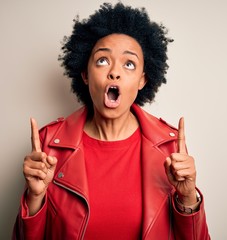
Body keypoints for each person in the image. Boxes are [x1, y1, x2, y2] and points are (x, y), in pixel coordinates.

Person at [13, 2, 210, 240]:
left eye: (129, 64)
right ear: (85, 75)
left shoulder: (169, 147)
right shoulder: (49, 145)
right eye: (102, 61)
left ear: (142, 80)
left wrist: (188, 198)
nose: (114, 72)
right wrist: (34, 199)